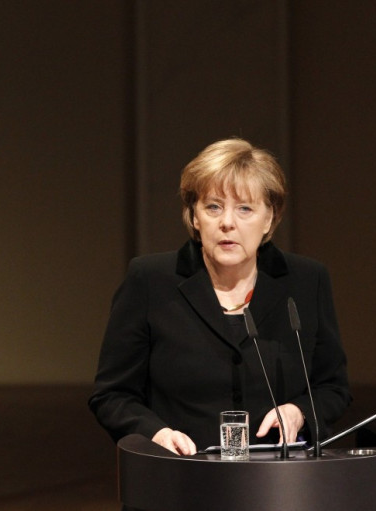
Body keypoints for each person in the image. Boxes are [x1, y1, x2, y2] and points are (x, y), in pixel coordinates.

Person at [89, 138, 351, 456]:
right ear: (195, 217)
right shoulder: (150, 280)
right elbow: (112, 395)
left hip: (280, 483)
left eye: (244, 208)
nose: (227, 222)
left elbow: (333, 388)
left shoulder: (306, 281)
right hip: (181, 477)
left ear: (269, 218)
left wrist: (299, 412)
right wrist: (155, 433)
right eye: (213, 207)